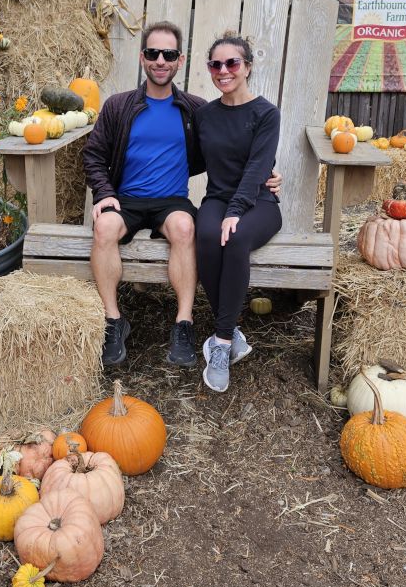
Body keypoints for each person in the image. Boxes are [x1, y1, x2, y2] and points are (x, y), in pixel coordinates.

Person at [83, 21, 280, 368]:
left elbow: (230, 150)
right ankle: (114, 321)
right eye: (153, 53)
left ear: (180, 60)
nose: (160, 60)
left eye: (168, 54)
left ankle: (184, 323)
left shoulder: (194, 110)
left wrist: (268, 173)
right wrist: (103, 192)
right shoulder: (118, 106)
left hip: (171, 200)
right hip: (125, 198)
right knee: (102, 228)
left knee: (186, 229)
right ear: (143, 58)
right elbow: (94, 154)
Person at [194, 34, 282, 392]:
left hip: (259, 201)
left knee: (236, 237)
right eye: (216, 64)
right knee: (204, 235)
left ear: (247, 67)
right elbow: (193, 161)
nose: (224, 71)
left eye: (232, 63)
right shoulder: (204, 115)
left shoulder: (265, 113)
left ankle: (223, 342)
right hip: (217, 197)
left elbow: (257, 167)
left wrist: (236, 210)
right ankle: (232, 335)